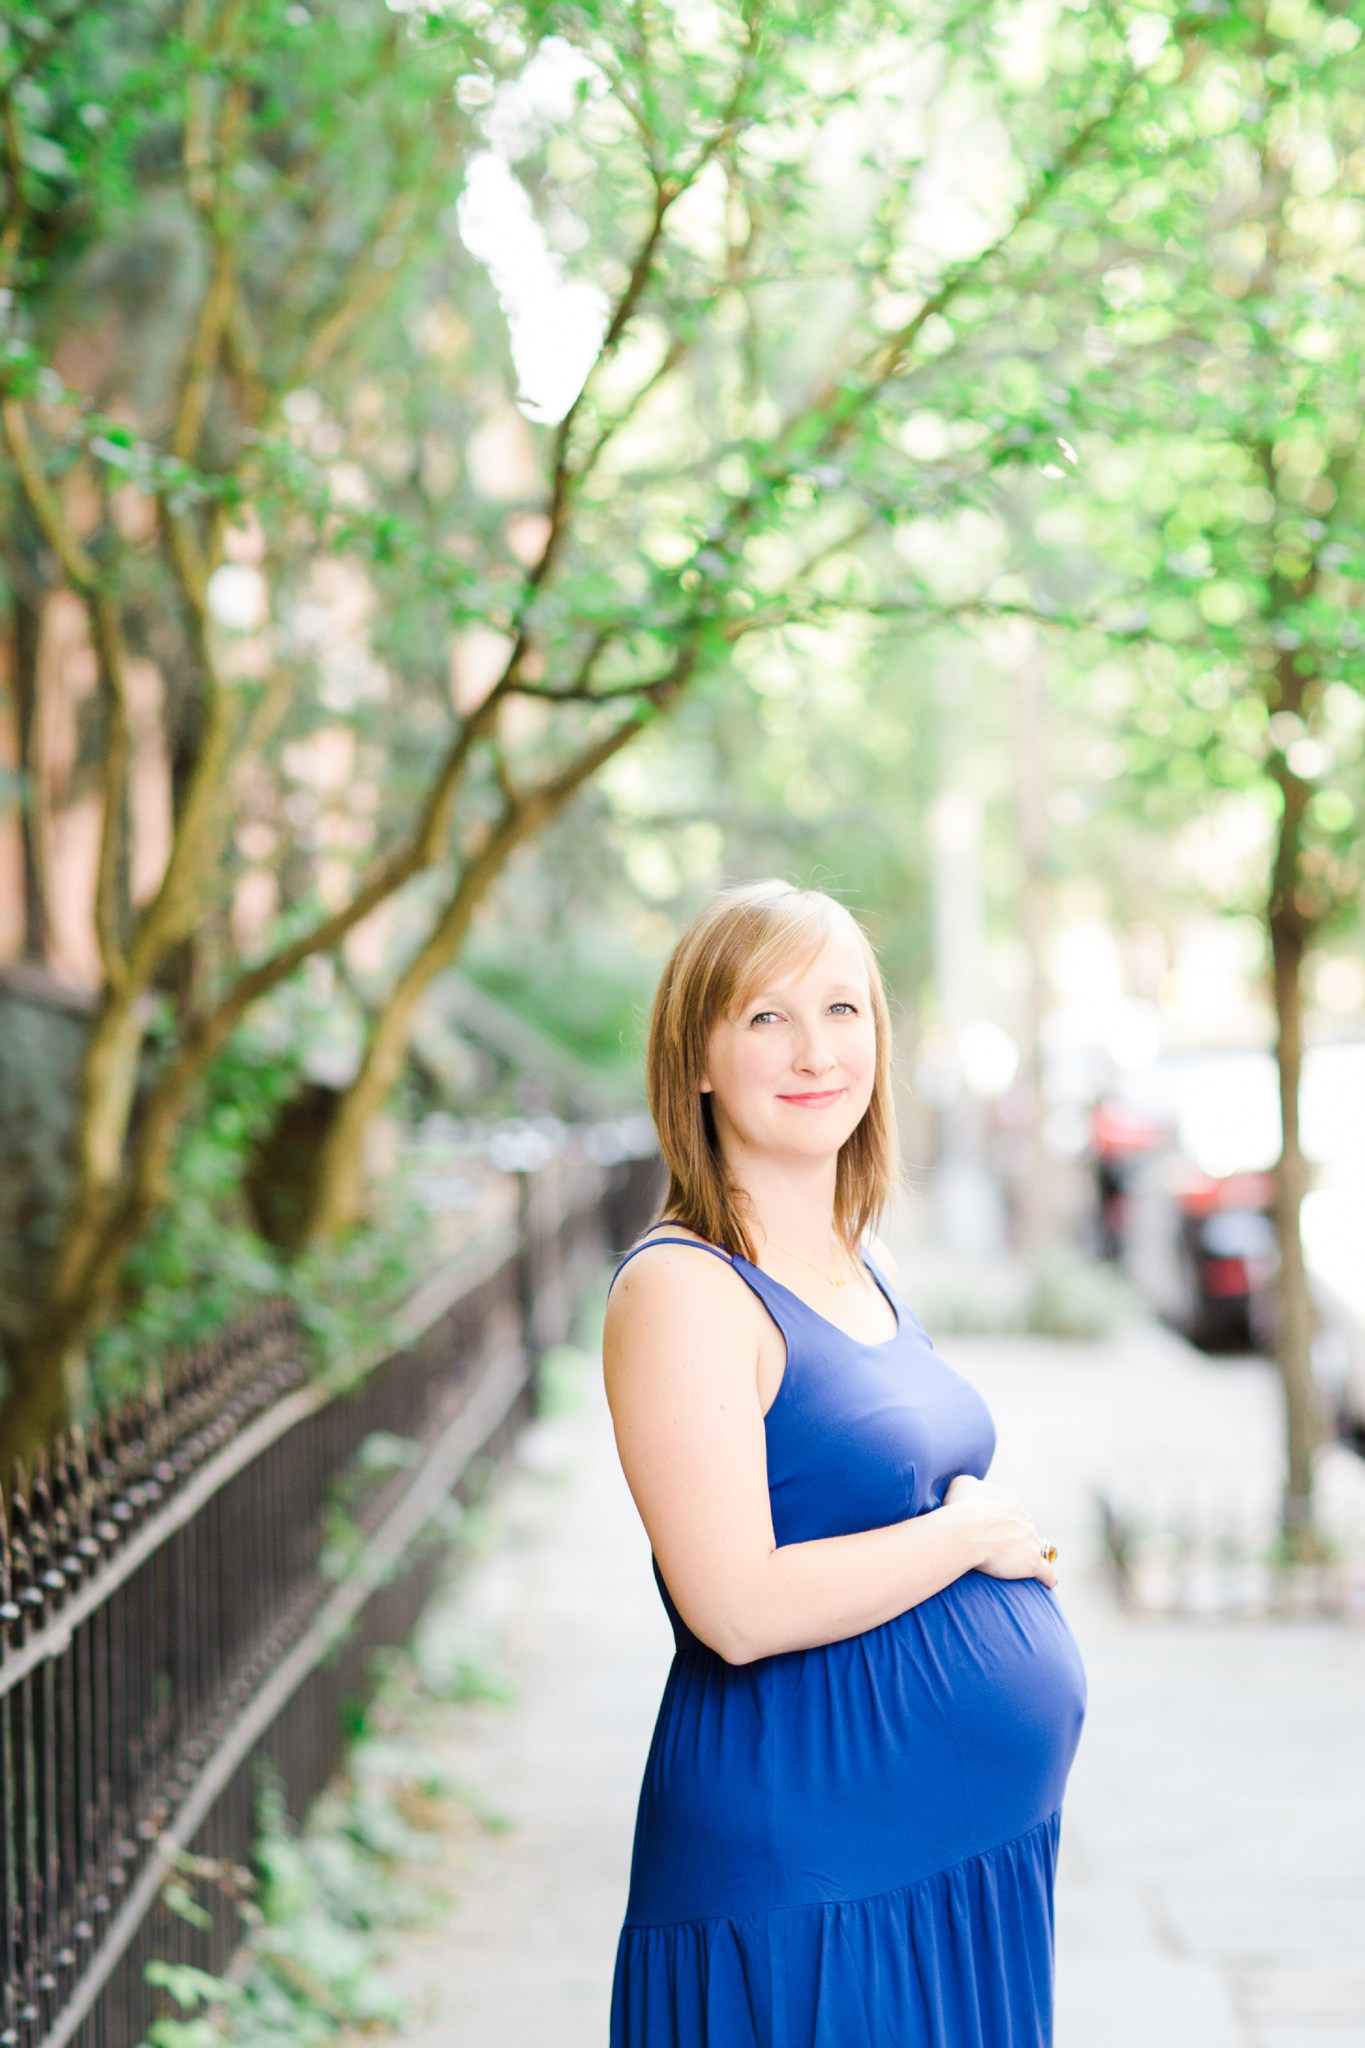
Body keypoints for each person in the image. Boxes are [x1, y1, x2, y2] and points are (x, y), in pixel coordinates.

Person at [602, 879, 1087, 2048]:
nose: (816, 1048)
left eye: (843, 1007)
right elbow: (735, 1604)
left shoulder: (849, 1257)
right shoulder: (683, 1287)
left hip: (951, 1874)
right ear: (698, 1058)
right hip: (811, 1894)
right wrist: (968, 1535)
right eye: (767, 1016)